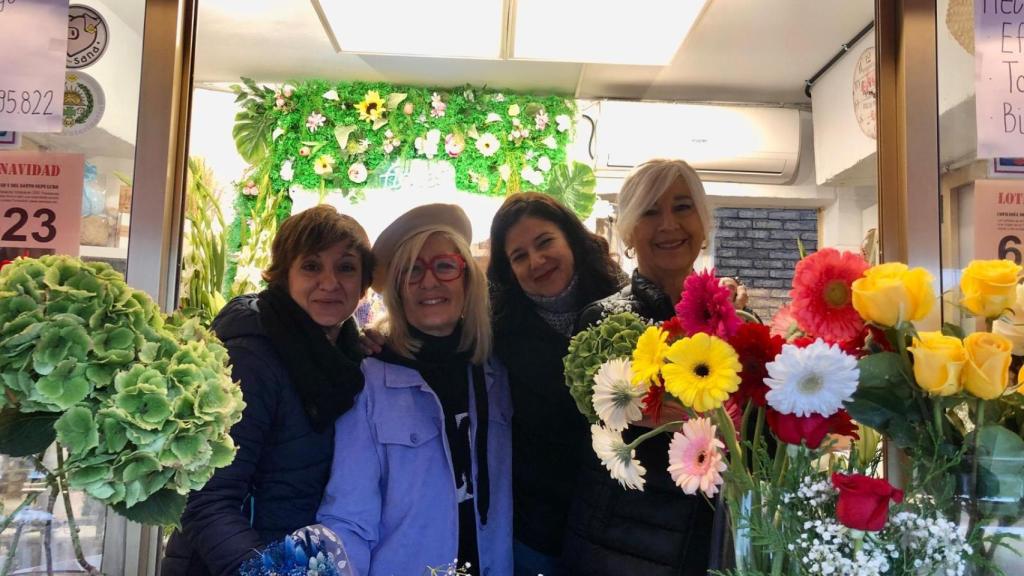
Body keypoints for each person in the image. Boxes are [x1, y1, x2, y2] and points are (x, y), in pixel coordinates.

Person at [162, 205, 373, 576]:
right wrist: (267, 571)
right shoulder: (251, 357)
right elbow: (206, 500)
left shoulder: (344, 359)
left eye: (346, 267)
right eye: (311, 266)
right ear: (283, 276)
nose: (329, 282)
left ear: (363, 283)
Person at [317, 204, 513, 576]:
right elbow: (350, 516)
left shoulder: (497, 371)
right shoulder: (370, 381)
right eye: (411, 271)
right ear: (398, 292)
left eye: (444, 265)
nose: (429, 282)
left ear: (467, 278)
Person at [561, 159, 720, 576]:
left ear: (702, 224)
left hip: (708, 539)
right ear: (629, 231)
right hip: (622, 543)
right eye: (650, 211)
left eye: (683, 207)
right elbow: (618, 431)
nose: (669, 224)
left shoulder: (728, 322)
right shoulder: (603, 321)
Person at [486, 193, 626, 575]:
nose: (536, 261)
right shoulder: (497, 337)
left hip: (617, 526)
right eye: (519, 256)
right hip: (538, 535)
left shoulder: (624, 309)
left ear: (571, 239)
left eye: (544, 242)